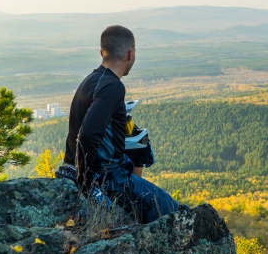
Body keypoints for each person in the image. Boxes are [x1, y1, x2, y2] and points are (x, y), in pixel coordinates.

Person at [56, 25, 187, 223]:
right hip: (109, 178)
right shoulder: (112, 87)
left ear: (102, 52)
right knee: (174, 212)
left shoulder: (91, 80)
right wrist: (86, 182)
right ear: (130, 54)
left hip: (86, 169)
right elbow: (88, 135)